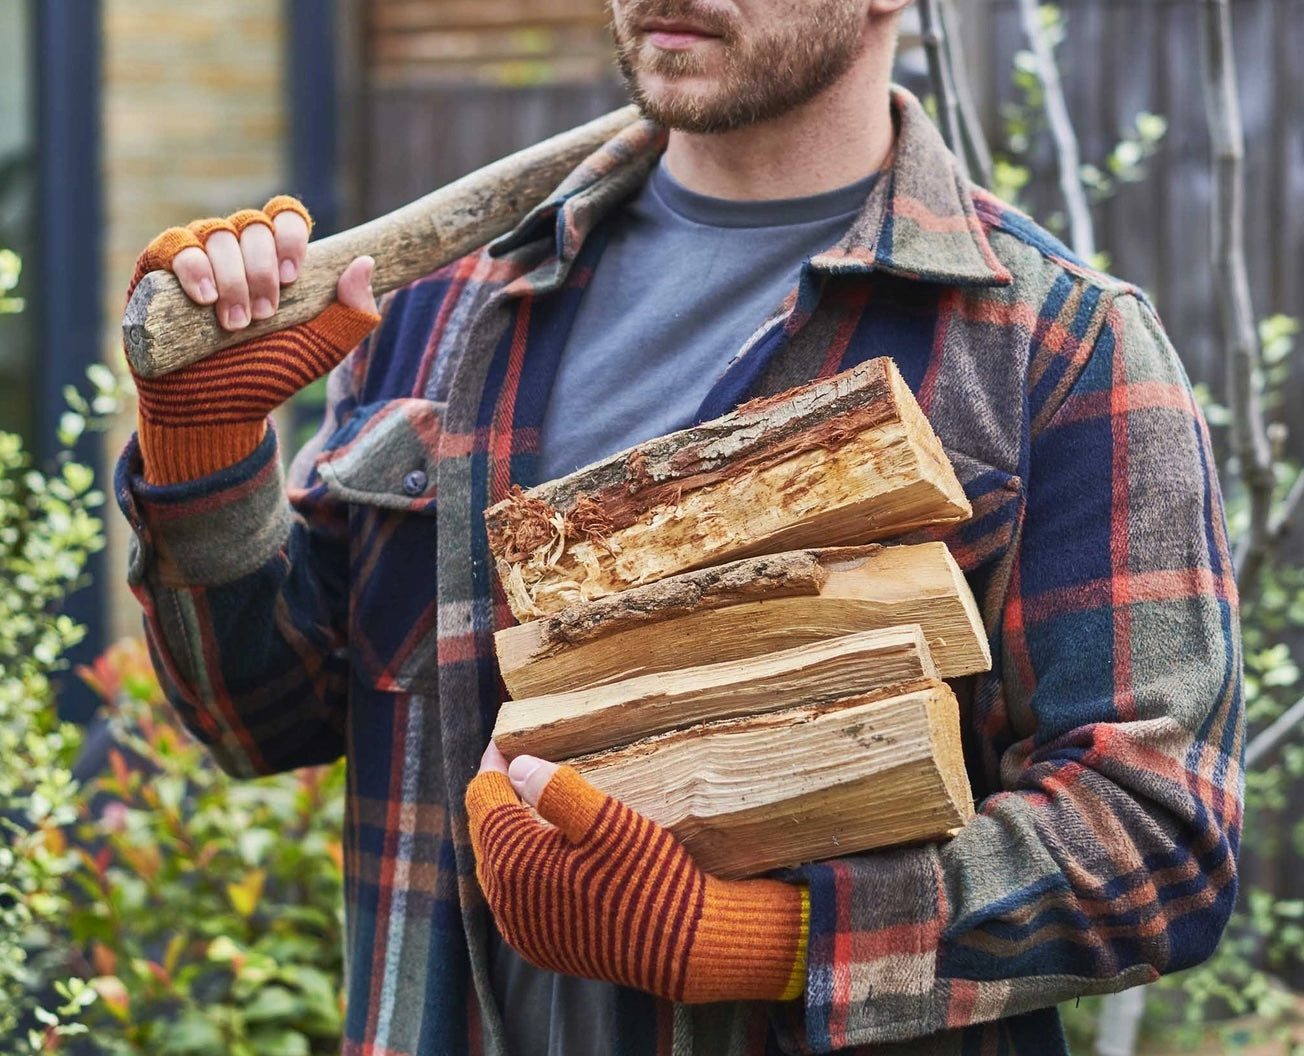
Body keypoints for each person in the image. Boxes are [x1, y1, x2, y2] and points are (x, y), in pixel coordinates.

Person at [116, 0, 1244, 1053]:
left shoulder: (1052, 351)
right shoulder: (441, 305)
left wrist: (767, 939)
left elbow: (1154, 839)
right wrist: (203, 447)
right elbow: (257, 714)